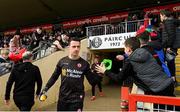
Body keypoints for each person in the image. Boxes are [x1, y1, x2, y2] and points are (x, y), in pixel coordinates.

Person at [96, 37, 175, 97]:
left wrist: (105, 71)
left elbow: (118, 78)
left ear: (129, 49)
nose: (124, 50)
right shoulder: (146, 52)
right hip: (168, 84)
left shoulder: (130, 62)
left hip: (158, 91)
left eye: (124, 48)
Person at [41, 37, 99, 111]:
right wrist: (46, 88)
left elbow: (93, 82)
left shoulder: (85, 64)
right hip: (63, 98)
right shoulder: (62, 62)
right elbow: (54, 77)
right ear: (69, 47)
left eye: (78, 47)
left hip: (77, 100)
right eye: (74, 46)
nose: (76, 49)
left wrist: (99, 73)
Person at [160, 9, 178, 82]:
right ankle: (172, 79)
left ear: (164, 16)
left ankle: (173, 80)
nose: (160, 17)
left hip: (170, 46)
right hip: (170, 46)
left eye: (160, 16)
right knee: (170, 63)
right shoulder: (169, 22)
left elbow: (171, 35)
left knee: (170, 63)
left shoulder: (168, 22)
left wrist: (168, 46)